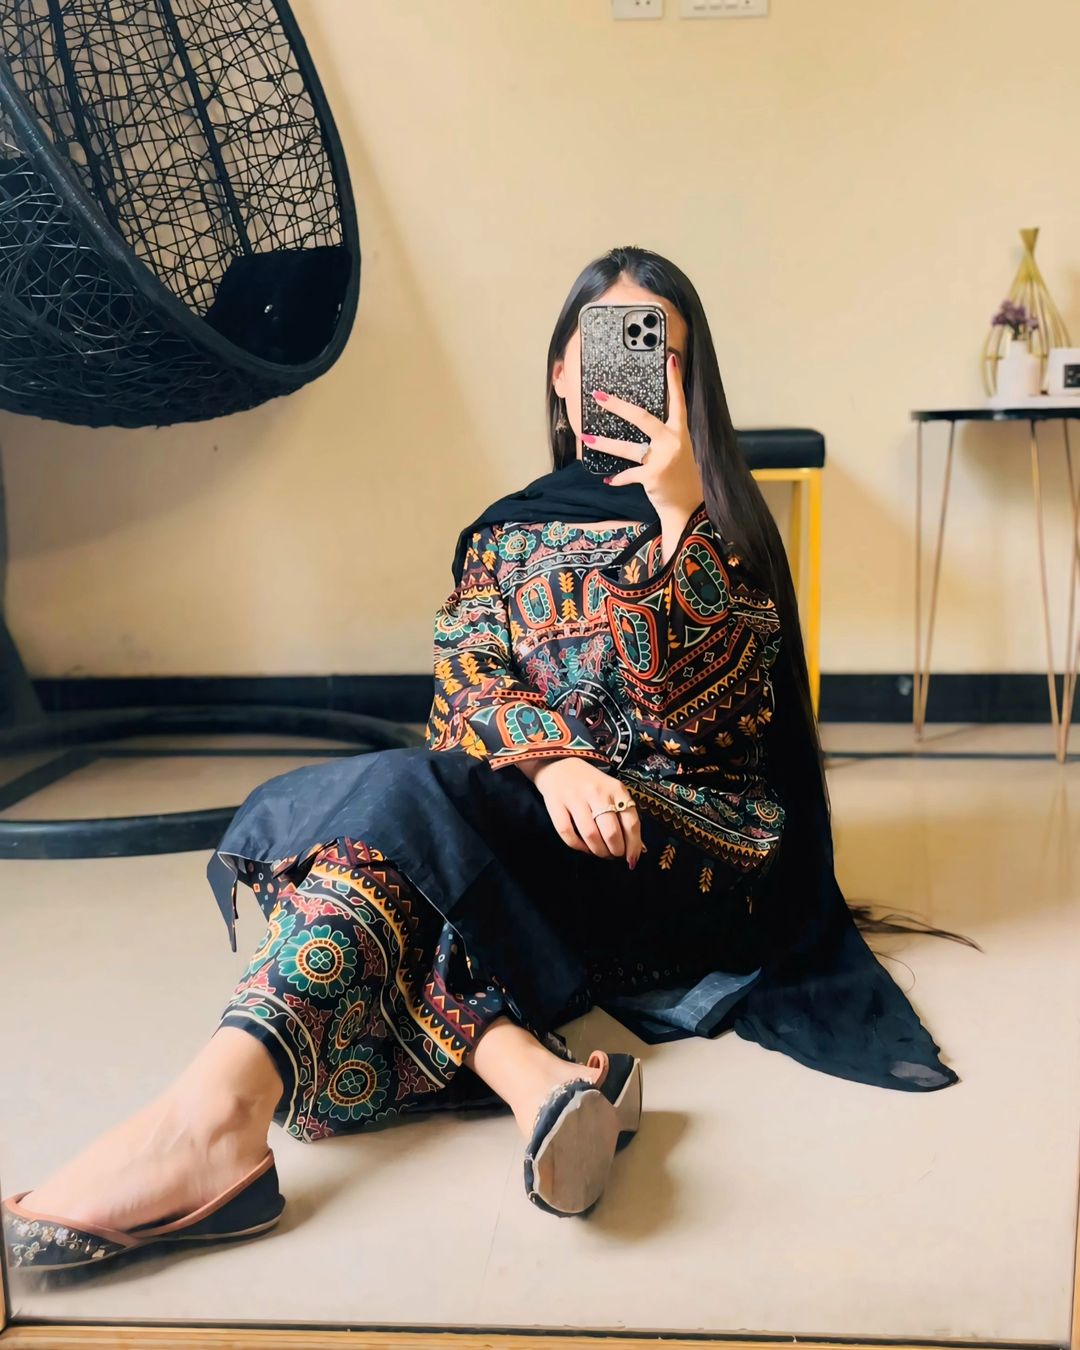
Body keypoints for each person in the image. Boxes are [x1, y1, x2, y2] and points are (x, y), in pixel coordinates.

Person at [3, 246, 967, 1270]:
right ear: (562, 373)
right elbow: (464, 684)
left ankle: (215, 1123)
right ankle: (524, 1082)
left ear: (693, 383)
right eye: (606, 349)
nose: (631, 374)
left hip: (677, 857)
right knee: (390, 834)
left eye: (661, 356)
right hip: (537, 829)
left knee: (387, 817)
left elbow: (699, 731)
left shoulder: (727, 531)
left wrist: (679, 516)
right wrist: (553, 765)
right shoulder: (505, 536)